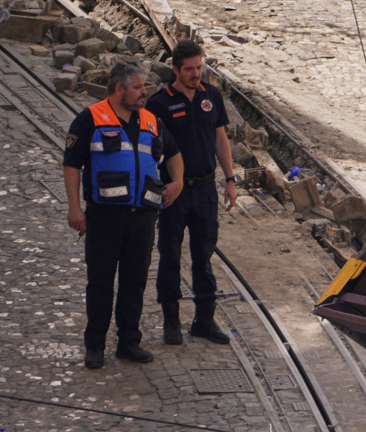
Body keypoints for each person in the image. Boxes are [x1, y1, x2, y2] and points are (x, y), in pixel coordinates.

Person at [64, 62, 183, 369]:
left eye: (144, 87)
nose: (145, 92)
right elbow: (72, 164)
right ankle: (95, 346)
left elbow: (173, 153)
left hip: (143, 217)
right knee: (100, 282)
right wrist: (74, 208)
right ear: (120, 89)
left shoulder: (150, 120)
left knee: (134, 282)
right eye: (138, 87)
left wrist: (178, 182)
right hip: (105, 217)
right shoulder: (90, 118)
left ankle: (129, 342)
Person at [145, 39, 237, 347]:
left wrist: (230, 179)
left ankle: (204, 320)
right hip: (174, 192)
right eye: (189, 69)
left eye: (199, 67)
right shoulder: (158, 103)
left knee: (204, 255)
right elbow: (148, 150)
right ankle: (171, 322)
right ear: (175, 70)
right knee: (170, 255)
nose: (196, 74)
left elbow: (220, 139)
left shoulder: (211, 95)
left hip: (206, 189)